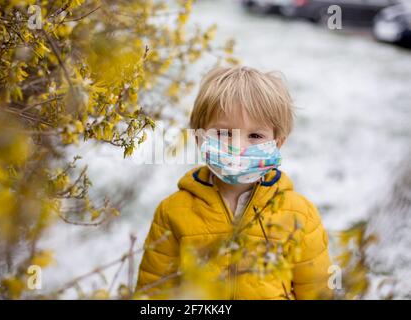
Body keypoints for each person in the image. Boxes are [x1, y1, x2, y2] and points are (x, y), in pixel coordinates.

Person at [135, 66, 332, 300]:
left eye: (255, 136)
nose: (238, 147)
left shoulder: (301, 216)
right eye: (224, 133)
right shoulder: (172, 212)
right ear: (200, 138)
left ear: (277, 143)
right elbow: (152, 295)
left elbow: (318, 294)